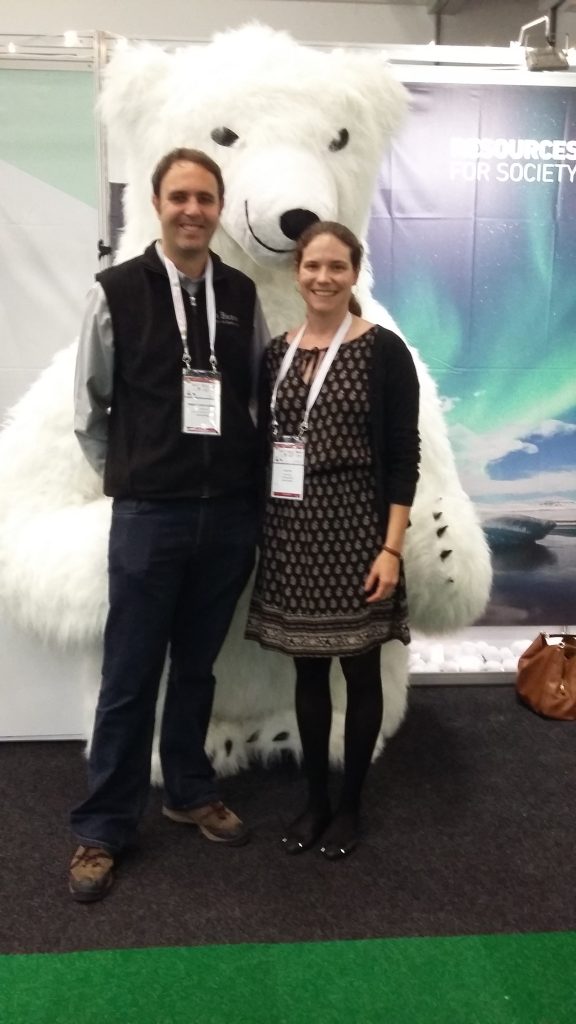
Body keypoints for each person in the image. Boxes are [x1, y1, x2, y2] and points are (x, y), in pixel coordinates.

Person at [69, 147, 269, 901]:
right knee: (128, 676)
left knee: (197, 668)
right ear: (157, 204)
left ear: (219, 209)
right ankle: (101, 828)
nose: (193, 210)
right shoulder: (115, 292)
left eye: (206, 198)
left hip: (227, 520)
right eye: (180, 196)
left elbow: (250, 397)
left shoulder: (243, 295)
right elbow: (90, 412)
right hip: (149, 517)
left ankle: (186, 789)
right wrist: (135, 479)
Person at [246, 221, 420, 860]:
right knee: (308, 673)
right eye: (312, 266)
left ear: (354, 273)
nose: (323, 277)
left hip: (357, 536)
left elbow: (404, 455)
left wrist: (391, 548)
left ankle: (350, 806)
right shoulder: (278, 353)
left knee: (361, 670)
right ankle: (315, 798)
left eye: (337, 267)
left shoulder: (382, 351)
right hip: (292, 534)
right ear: (297, 272)